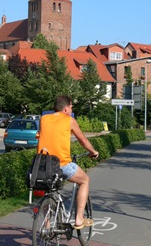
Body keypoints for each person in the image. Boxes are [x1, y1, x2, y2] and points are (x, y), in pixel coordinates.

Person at [37, 95, 99, 229]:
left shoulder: (43, 119)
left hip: (43, 165)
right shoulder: (69, 121)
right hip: (61, 164)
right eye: (71, 107)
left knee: (49, 190)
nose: (71, 110)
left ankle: (46, 226)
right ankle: (79, 219)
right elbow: (83, 140)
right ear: (66, 108)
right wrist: (93, 152)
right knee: (85, 180)